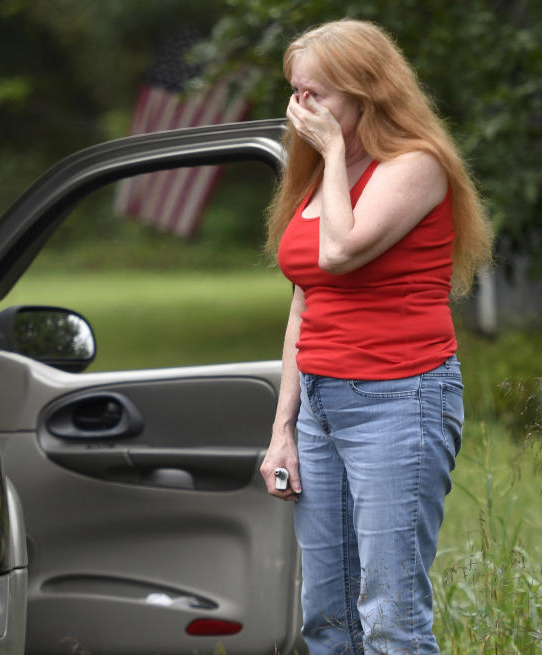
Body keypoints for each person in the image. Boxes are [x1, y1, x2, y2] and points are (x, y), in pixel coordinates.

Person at [258, 19, 493, 655]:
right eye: (295, 92)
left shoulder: (417, 166)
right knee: (327, 618)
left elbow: (339, 252)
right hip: (321, 405)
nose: (300, 109)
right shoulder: (316, 179)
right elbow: (306, 301)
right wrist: (284, 430)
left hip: (398, 401)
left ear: (366, 94)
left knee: (391, 620)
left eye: (316, 94)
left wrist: (334, 153)